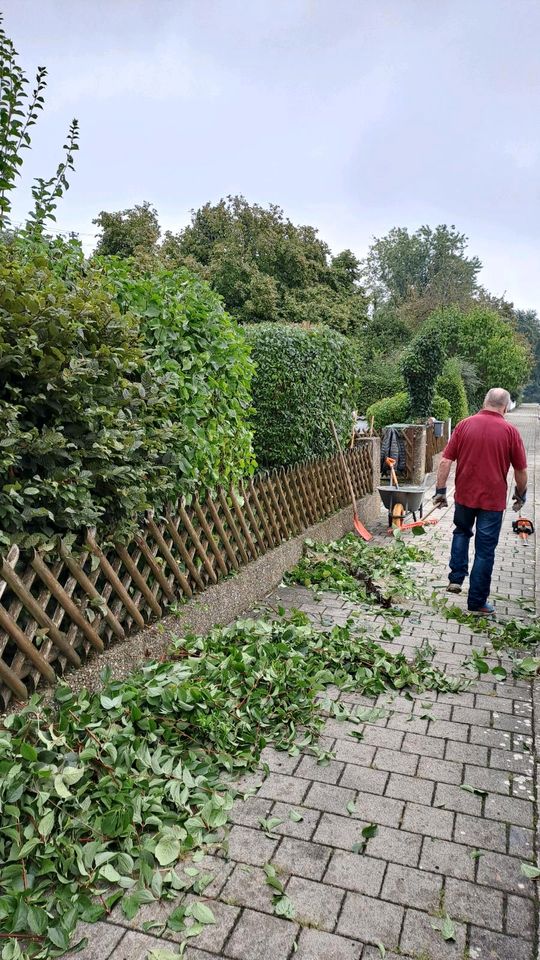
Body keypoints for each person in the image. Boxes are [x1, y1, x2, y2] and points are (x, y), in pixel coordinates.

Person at [432, 387, 527, 615]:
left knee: (461, 532)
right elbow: (521, 470)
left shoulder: (464, 425)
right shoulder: (510, 431)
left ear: (485, 402)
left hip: (464, 495)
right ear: (504, 406)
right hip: (492, 502)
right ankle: (476, 603)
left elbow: (445, 461)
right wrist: (520, 494)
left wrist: (440, 491)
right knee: (485, 551)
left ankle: (456, 577)